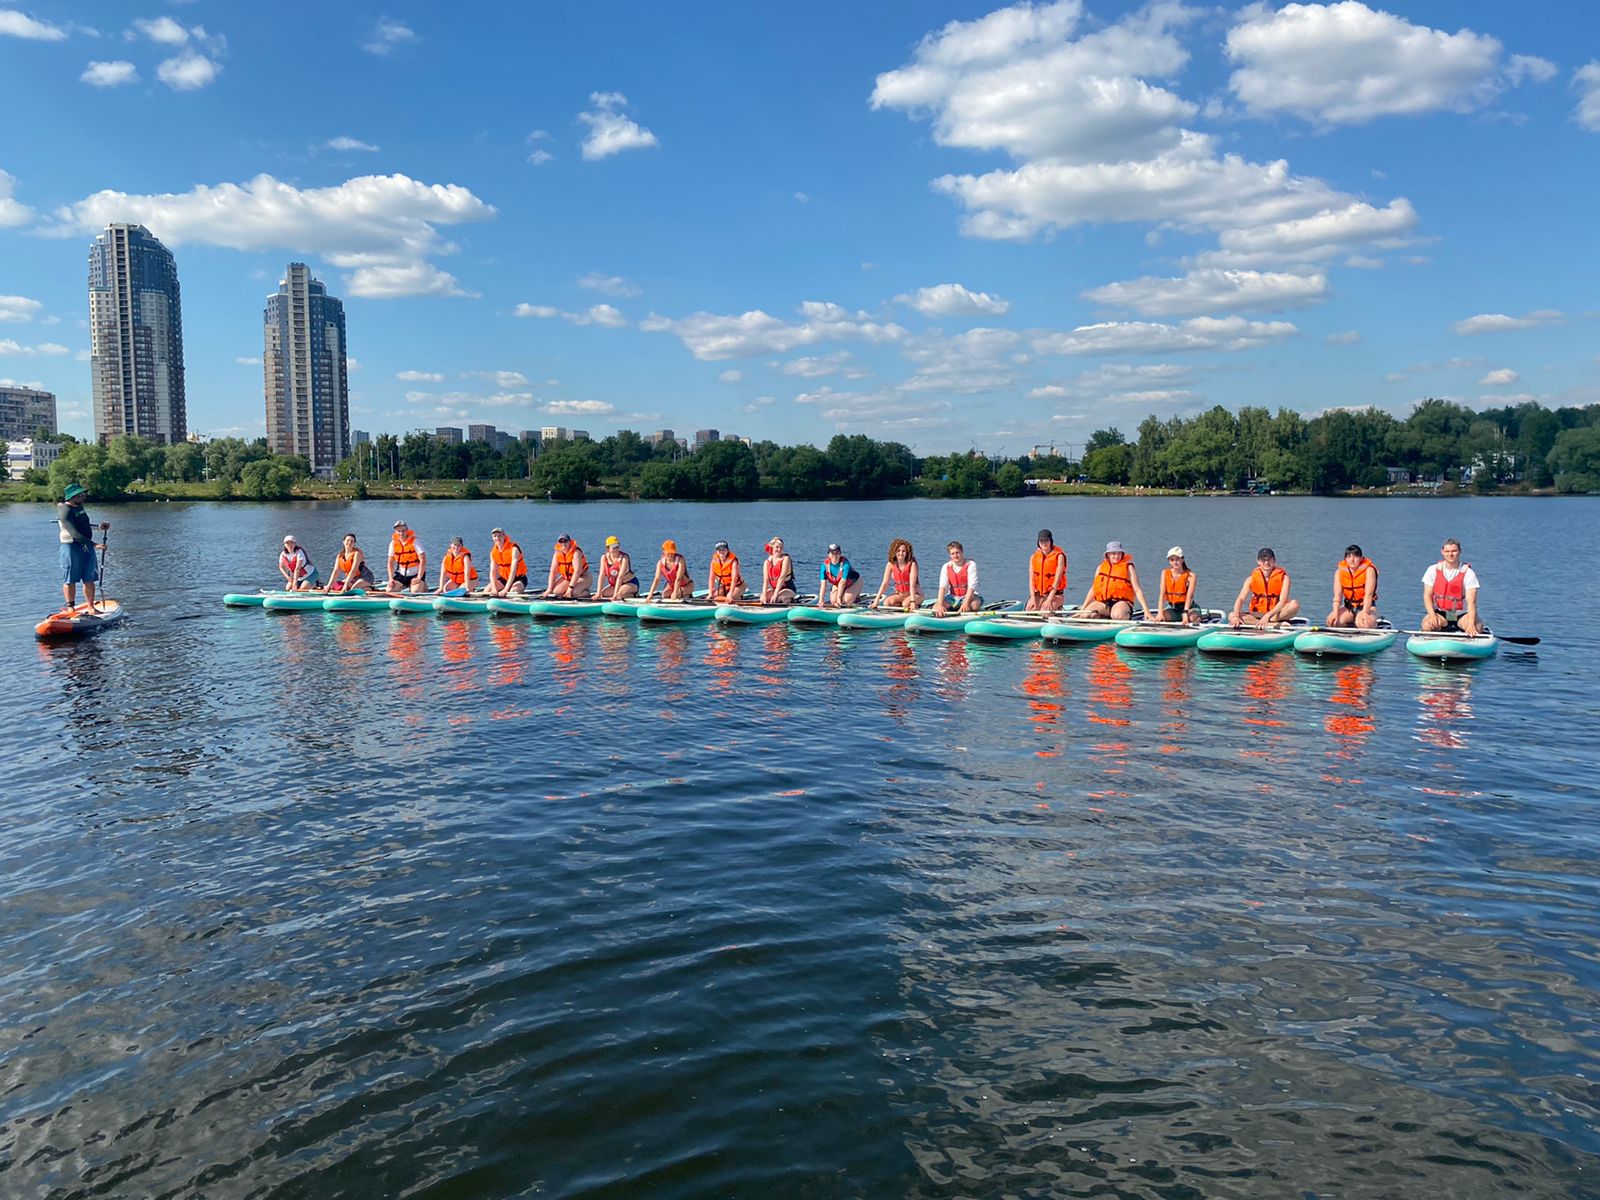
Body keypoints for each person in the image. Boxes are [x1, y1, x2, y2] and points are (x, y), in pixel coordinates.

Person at [57, 484, 108, 611]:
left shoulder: (79, 507)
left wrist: (99, 527)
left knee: (89, 577)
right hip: (71, 546)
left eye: (84, 494)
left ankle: (91, 607)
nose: (84, 497)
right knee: (70, 579)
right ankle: (71, 608)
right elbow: (74, 533)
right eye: (81, 495)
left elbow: (84, 525)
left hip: (86, 546)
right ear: (73, 496)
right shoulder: (65, 510)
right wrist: (95, 545)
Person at [1421, 537, 1483, 635]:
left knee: (1476, 627)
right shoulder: (1432, 570)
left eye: (1454, 551)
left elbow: (1472, 602)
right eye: (1447, 551)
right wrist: (1432, 615)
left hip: (1462, 615)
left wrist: (1471, 624)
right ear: (1442, 552)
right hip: (1441, 614)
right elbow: (1427, 596)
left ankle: (1470, 629)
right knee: (1427, 625)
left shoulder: (1468, 573)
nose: (1450, 554)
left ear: (1460, 551)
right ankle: (1438, 631)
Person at [1079, 541, 1151, 620]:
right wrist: (1083, 608)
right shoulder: (1100, 567)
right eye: (1113, 553)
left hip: (1122, 602)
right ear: (1108, 555)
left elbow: (1137, 590)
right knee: (1085, 615)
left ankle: (1123, 616)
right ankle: (1104, 616)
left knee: (1117, 615)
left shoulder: (1128, 568)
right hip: (1104, 603)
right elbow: (1093, 589)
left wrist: (1146, 611)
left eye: (1119, 553)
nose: (1116, 556)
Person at [1229, 547, 1300, 628]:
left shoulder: (1284, 578)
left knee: (1294, 604)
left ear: (1274, 560)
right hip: (1258, 614)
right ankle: (1273, 624)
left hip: (1275, 614)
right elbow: (1240, 599)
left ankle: (1267, 621)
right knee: (1232, 615)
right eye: (1263, 560)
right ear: (1258, 562)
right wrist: (1236, 615)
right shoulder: (1250, 579)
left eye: (1269, 560)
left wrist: (1268, 615)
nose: (1266, 562)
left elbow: (1282, 601)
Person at [1327, 543, 1380, 629]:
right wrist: (1335, 612)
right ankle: (1352, 624)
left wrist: (1365, 612)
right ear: (1345, 559)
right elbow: (1337, 595)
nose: (1352, 560)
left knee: (1365, 624)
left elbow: (1369, 595)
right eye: (1349, 556)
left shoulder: (1369, 570)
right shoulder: (1339, 573)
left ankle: (1374, 623)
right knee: (1332, 622)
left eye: (1355, 556)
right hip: (1349, 607)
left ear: (1361, 558)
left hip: (1367, 607)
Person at [932, 541, 981, 617]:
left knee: (974, 606)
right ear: (950, 555)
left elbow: (972, 586)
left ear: (962, 552)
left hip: (970, 596)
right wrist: (940, 605)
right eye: (952, 554)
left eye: (957, 553)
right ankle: (952, 610)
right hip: (953, 597)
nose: (955, 556)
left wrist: (966, 603)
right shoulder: (946, 567)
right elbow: (943, 587)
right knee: (935, 609)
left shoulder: (971, 564)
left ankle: (963, 609)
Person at [872, 539, 922, 611]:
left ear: (907, 552)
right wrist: (876, 600)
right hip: (900, 595)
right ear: (894, 552)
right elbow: (885, 583)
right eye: (898, 551)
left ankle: (915, 605)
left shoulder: (912, 564)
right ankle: (901, 606)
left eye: (903, 551)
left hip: (915, 595)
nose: (901, 553)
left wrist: (912, 601)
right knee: (887, 603)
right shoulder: (890, 564)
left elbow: (912, 585)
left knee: (906, 604)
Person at [1025, 529, 1068, 613]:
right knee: (1029, 611)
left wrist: (1049, 599)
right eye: (1041, 541)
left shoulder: (1059, 557)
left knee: (1045, 612)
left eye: (1046, 540)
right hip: (1039, 594)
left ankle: (1057, 609)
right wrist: (1032, 597)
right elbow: (1031, 579)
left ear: (1051, 541)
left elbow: (1057, 581)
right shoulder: (1033, 557)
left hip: (1055, 595)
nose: (1044, 543)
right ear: (1038, 543)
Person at [1158, 547, 1199, 625]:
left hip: (1189, 608)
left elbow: (1190, 596)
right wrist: (1160, 613)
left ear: (1182, 560)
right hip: (1173, 608)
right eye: (1172, 560)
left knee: (1191, 618)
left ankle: (1197, 619)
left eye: (1177, 559)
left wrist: (1185, 612)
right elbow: (1162, 594)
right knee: (1163, 616)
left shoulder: (1191, 576)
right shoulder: (1165, 573)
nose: (1175, 562)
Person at [484, 528, 529, 596]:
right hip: (504, 579)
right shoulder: (493, 552)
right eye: (495, 536)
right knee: (487, 590)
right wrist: (494, 589)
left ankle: (516, 592)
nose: (497, 538)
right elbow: (492, 572)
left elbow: (513, 571)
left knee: (513, 591)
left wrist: (505, 589)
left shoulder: (514, 549)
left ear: (504, 536)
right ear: (492, 538)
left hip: (518, 578)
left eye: (499, 536)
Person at [545, 534, 592, 599]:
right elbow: (553, 572)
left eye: (565, 541)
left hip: (583, 576)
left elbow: (577, 571)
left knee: (574, 593)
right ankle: (569, 589)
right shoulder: (557, 554)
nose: (563, 544)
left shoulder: (576, 552)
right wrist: (549, 589)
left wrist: (570, 588)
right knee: (556, 592)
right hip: (567, 578)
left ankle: (586, 592)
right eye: (561, 542)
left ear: (569, 542)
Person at [386, 520, 427, 593]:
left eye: (403, 530)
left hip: (415, 574)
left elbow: (423, 560)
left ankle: (422, 585)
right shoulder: (393, 543)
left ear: (407, 530)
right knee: (389, 590)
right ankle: (406, 585)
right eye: (399, 531)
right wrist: (390, 579)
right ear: (395, 531)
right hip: (401, 575)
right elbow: (390, 562)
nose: (401, 533)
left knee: (415, 591)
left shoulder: (415, 541)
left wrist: (418, 578)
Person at [594, 535, 639, 600]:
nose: (616, 549)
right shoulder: (604, 558)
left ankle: (634, 595)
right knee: (603, 594)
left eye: (617, 546)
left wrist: (615, 595)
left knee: (619, 595)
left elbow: (620, 577)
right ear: (608, 548)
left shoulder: (624, 558)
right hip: (616, 584)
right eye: (613, 547)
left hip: (630, 583)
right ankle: (620, 594)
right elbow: (601, 575)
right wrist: (598, 593)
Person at [818, 543, 862, 607]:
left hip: (854, 582)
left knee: (845, 601)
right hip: (838, 584)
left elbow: (842, 582)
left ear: (840, 554)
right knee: (833, 601)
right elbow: (823, 584)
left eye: (837, 553)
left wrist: (839, 598)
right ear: (828, 555)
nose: (835, 555)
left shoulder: (845, 564)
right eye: (832, 553)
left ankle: (856, 598)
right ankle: (846, 595)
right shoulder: (824, 566)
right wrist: (821, 599)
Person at [758, 537, 797, 604]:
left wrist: (775, 594)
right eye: (777, 547)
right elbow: (765, 580)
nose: (779, 550)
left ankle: (789, 600)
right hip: (775, 589)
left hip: (788, 588)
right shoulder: (767, 562)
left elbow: (782, 577)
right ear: (772, 547)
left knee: (778, 598)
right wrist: (764, 595)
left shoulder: (785, 559)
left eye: (781, 548)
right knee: (762, 598)